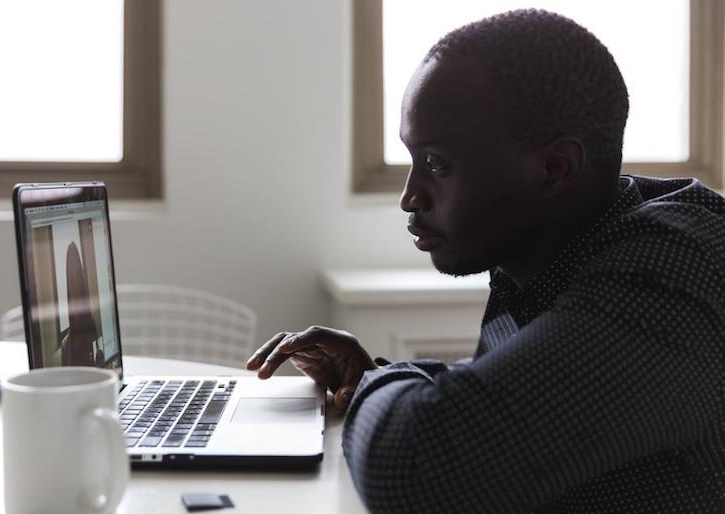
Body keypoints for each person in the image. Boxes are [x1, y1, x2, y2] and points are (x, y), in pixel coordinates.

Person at [247, 9, 725, 513]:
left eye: (437, 164)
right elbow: (495, 427)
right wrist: (381, 379)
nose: (410, 198)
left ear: (554, 168)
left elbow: (415, 473)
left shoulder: (672, 272)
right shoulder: (540, 251)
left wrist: (372, 385)